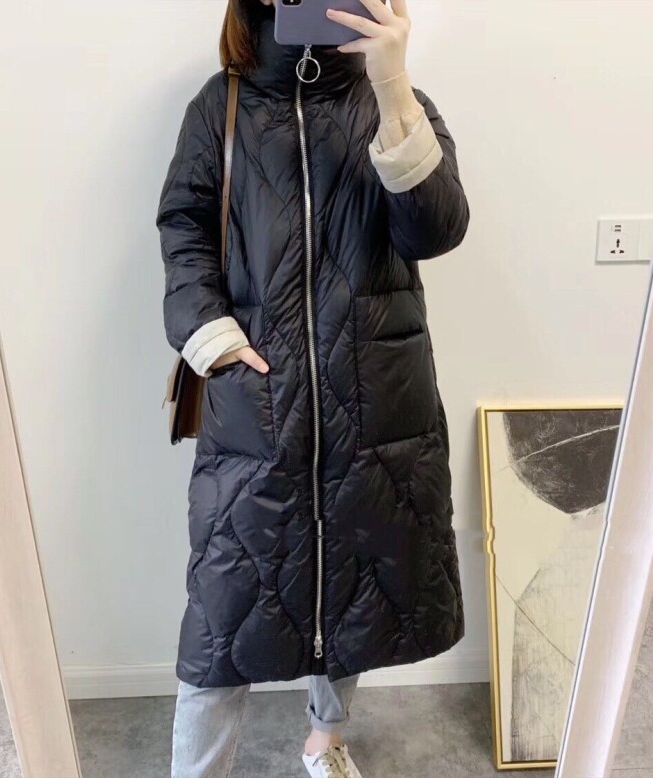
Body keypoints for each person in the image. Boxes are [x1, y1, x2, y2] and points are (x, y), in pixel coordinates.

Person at [156, 0, 469, 775]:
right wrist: (212, 337)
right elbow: (185, 226)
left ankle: (325, 740)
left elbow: (435, 230)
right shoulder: (221, 105)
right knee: (222, 620)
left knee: (357, 587)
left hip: (377, 399)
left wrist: (392, 84)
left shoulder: (395, 102)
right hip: (257, 408)